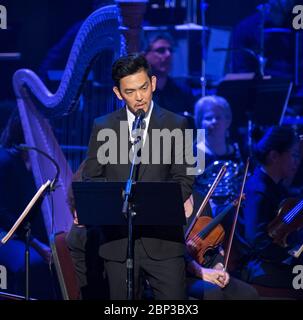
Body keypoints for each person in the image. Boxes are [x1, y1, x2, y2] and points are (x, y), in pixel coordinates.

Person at [81, 53, 194, 299]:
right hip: (118, 244)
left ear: (153, 83)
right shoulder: (104, 127)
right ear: (117, 93)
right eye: (130, 91)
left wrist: (151, 204)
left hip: (164, 242)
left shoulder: (178, 124)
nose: (139, 97)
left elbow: (184, 179)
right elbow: (92, 179)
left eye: (143, 88)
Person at [235, 126, 303, 290]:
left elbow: (288, 221)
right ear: (274, 156)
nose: (297, 161)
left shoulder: (276, 187)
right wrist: (292, 254)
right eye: (293, 155)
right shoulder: (258, 190)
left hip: (276, 261)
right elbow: (257, 241)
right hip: (259, 267)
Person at [0, 110, 57, 299]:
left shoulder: (35, 164)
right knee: (35, 263)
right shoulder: (5, 161)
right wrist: (38, 245)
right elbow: (5, 215)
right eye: (44, 130)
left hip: (24, 232)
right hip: (6, 234)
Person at [194, 95, 243, 211]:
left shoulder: (237, 152)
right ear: (200, 122)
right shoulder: (193, 154)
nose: (214, 122)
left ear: (228, 121)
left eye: (218, 117)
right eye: (208, 118)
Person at [144, 33, 195, 118]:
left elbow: (197, 126)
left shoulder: (183, 91)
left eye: (170, 50)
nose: (168, 55)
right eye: (161, 50)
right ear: (145, 56)